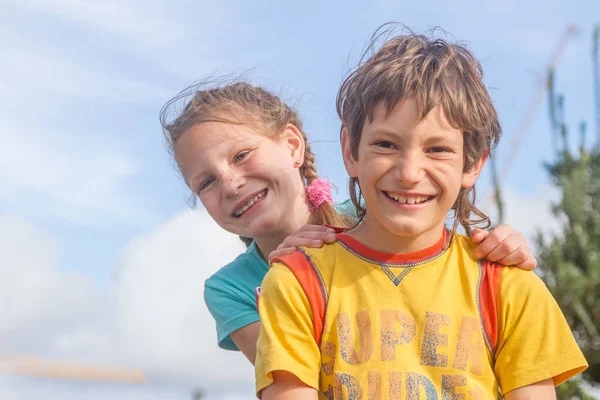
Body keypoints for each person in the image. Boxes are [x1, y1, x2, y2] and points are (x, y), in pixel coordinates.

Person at [255, 29, 587, 399]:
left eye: (438, 149)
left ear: (472, 164)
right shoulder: (299, 282)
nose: (410, 172)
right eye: (385, 144)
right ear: (350, 151)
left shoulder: (508, 287)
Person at [160, 80, 537, 366]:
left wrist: (501, 247)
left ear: (293, 146)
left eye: (241, 155)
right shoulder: (229, 290)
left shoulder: (376, 216)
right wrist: (295, 274)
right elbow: (299, 372)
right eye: (206, 181)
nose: (230, 184)